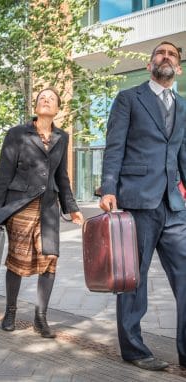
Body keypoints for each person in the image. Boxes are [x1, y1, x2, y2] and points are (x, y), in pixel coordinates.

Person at [99, 41, 186, 371]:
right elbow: (114, 147)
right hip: (137, 199)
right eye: (160, 54)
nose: (166, 57)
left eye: (172, 54)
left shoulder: (183, 105)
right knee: (133, 278)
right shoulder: (129, 98)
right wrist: (109, 188)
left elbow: (183, 155)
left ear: (177, 67)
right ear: (150, 64)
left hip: (174, 206)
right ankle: (134, 349)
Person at [0, 87, 84, 338]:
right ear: (36, 105)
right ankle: (10, 311)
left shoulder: (62, 137)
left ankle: (41, 317)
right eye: (42, 97)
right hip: (20, 203)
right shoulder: (18, 133)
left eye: (51, 98)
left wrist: (72, 208)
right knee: (18, 259)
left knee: (49, 259)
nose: (45, 100)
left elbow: (62, 177)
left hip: (49, 207)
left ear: (57, 108)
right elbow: (4, 172)